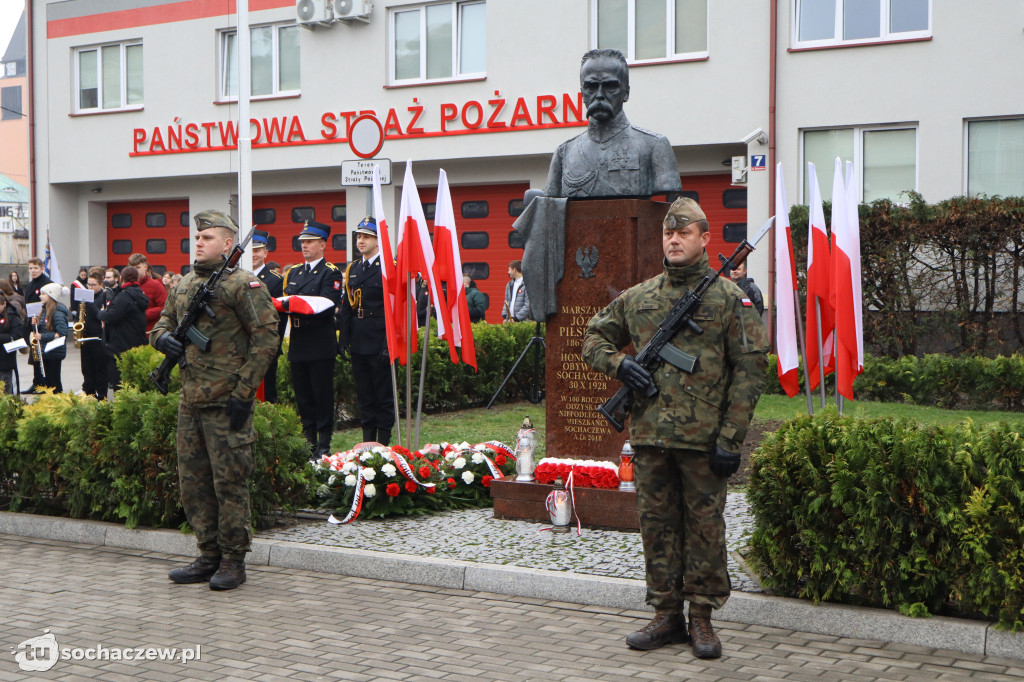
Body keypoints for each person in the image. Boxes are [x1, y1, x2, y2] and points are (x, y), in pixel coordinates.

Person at [581, 197, 768, 659]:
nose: (674, 240)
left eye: (684, 233)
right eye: (669, 233)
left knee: (705, 529)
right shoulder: (640, 297)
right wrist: (621, 365)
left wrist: (731, 438)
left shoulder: (728, 298)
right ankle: (666, 616)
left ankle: (701, 619)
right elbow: (592, 337)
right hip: (650, 438)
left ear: (705, 238)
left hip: (704, 441)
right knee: (657, 528)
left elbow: (750, 369)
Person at [152, 210, 278, 591]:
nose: (200, 242)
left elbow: (267, 338)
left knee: (230, 482)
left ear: (228, 244)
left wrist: (244, 392)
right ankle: (207, 554)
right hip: (190, 400)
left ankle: (233, 560)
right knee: (193, 483)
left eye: (208, 237)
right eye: (198, 237)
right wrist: (163, 341)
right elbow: (162, 323)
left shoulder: (244, 284)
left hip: (227, 401)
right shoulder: (185, 284)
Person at [544, 49, 681, 199]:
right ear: (582, 93)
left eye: (610, 87)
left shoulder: (654, 146)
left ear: (626, 92)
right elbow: (550, 210)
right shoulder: (564, 153)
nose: (599, 95)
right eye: (591, 87)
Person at [281, 220, 342, 456]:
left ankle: (324, 443)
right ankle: (308, 441)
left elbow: (326, 304)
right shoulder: (294, 272)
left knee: (321, 394)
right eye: (302, 242)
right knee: (303, 395)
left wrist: (295, 303)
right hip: (299, 339)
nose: (304, 246)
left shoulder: (330, 271)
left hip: (319, 340)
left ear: (322, 245)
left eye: (309, 242)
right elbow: (285, 301)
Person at [337, 217, 395, 445]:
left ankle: (384, 442)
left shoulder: (390, 267)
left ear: (379, 240)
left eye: (366, 237)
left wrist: (389, 343)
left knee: (383, 395)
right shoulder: (353, 268)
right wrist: (344, 337)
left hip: (381, 339)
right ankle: (368, 440)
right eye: (359, 236)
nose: (361, 241)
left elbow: (395, 309)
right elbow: (347, 307)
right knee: (365, 395)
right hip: (359, 340)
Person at [97, 265, 148, 390]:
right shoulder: (138, 292)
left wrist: (101, 313)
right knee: (132, 382)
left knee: (119, 382)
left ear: (121, 278)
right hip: (135, 341)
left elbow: (112, 317)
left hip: (121, 343)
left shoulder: (124, 296)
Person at [251, 229, 286, 404]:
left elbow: (280, 317)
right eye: (250, 250)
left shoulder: (275, 280)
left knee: (267, 394)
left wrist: (275, 345)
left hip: (266, 345)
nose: (253, 254)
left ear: (265, 252)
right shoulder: (235, 277)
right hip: (242, 346)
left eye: (257, 250)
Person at [31, 282, 70, 393]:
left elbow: (62, 332)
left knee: (54, 381)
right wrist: (35, 324)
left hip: (54, 351)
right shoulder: (44, 310)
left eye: (44, 294)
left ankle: (58, 400)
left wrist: (42, 336)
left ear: (51, 296)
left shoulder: (57, 312)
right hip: (46, 350)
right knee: (48, 381)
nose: (40, 296)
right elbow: (43, 328)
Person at [79, 269, 109, 400]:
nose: (90, 287)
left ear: (101, 285)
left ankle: (101, 395)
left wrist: (89, 303)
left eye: (93, 285)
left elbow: (100, 315)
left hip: (98, 337)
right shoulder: (85, 298)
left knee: (100, 368)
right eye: (88, 285)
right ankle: (89, 392)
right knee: (86, 368)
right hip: (85, 336)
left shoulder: (104, 297)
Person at [23, 257, 52, 393]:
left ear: (41, 268)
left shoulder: (47, 283)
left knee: (42, 356)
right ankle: (36, 383)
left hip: (42, 323)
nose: (33, 271)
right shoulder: (30, 284)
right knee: (34, 356)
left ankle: (44, 383)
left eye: (35, 268)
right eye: (30, 268)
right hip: (31, 322)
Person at [128, 253, 167, 333]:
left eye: (138, 267)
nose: (135, 271)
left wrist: (142, 315)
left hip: (149, 333)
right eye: (132, 268)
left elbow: (164, 307)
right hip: (130, 333)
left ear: (145, 267)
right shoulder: (127, 286)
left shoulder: (156, 285)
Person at [0, 289, 23, 394]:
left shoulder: (12, 316)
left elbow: (17, 336)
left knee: (7, 392)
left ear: (4, 304)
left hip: (6, 361)